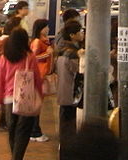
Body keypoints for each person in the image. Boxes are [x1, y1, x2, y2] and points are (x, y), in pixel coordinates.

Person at [0, 27, 43, 160]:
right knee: (23, 130)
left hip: (9, 98)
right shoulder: (30, 57)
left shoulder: (4, 58)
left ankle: (15, 156)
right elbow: (37, 78)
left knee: (12, 130)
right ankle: (17, 157)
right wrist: (39, 94)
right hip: (25, 97)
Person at [56, 21, 85, 156]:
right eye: (80, 31)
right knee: (69, 127)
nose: (82, 34)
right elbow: (79, 71)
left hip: (64, 92)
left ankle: (64, 152)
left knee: (65, 125)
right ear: (72, 35)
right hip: (71, 94)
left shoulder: (62, 49)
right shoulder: (73, 53)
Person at [29, 19, 52, 143]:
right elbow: (33, 57)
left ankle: (34, 130)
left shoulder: (43, 41)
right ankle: (34, 131)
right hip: (38, 75)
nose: (47, 29)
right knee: (36, 104)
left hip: (41, 75)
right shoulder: (38, 42)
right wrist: (47, 54)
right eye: (46, 27)